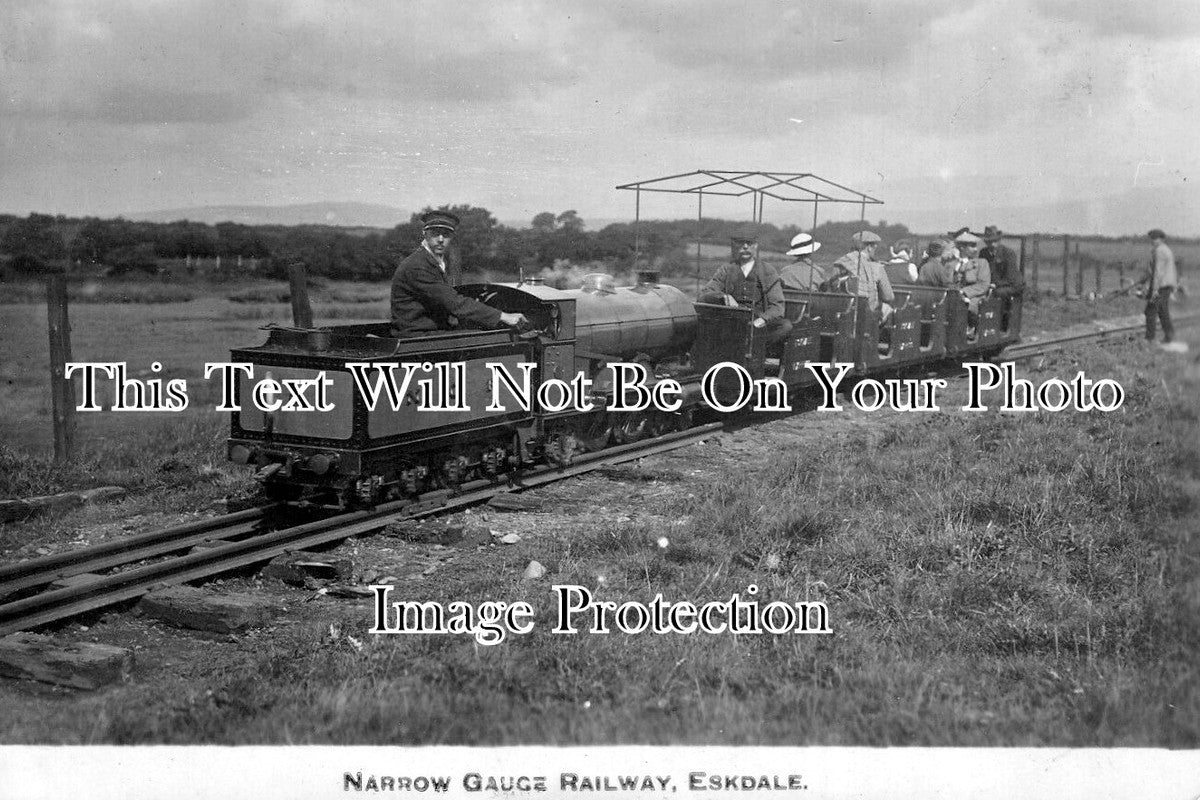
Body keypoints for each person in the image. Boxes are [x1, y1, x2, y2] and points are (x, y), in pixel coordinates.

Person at [390, 210, 528, 337]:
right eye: (435, 233)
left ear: (452, 237)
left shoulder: (435, 260)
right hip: (416, 335)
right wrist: (503, 316)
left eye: (446, 234)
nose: (440, 239)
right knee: (490, 338)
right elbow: (454, 302)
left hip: (428, 331)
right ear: (424, 234)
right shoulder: (417, 265)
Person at [697, 233, 792, 343]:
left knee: (785, 326)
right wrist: (724, 296)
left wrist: (763, 320)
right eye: (741, 243)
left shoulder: (768, 271)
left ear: (756, 245)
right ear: (734, 246)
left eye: (750, 243)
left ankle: (760, 353)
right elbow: (706, 293)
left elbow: (777, 306)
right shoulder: (726, 269)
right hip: (732, 319)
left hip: (758, 320)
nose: (745, 246)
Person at [833, 230, 894, 323]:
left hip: (842, 313)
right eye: (874, 247)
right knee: (888, 309)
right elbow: (888, 297)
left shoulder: (840, 263)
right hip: (866, 316)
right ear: (869, 247)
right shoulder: (877, 267)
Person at [1136, 228, 1177, 344]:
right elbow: (1157, 270)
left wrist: (1154, 290)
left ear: (1161, 239)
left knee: (1150, 310)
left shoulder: (1159, 251)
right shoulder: (1166, 250)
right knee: (1162, 311)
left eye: (1155, 238)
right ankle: (1169, 336)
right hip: (1166, 286)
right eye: (1152, 238)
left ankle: (1150, 339)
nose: (1153, 241)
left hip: (1160, 287)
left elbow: (1158, 272)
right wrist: (1144, 279)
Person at [952, 231, 992, 320]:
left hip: (974, 298)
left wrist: (963, 292)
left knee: (963, 307)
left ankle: (969, 329)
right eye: (972, 246)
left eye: (975, 246)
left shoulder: (982, 263)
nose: (976, 249)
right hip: (952, 296)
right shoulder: (952, 263)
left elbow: (983, 285)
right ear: (962, 248)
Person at [979, 226, 1024, 298]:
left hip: (1011, 285)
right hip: (993, 284)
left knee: (997, 293)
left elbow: (1010, 278)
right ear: (986, 242)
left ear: (999, 240)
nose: (992, 244)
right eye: (989, 242)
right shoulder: (983, 253)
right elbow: (981, 271)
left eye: (995, 241)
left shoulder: (1008, 253)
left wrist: (995, 284)